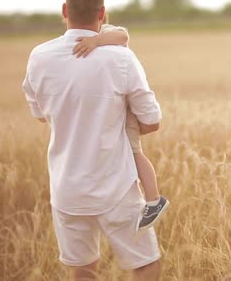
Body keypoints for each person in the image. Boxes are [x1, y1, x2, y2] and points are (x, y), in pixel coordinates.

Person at [22, 0, 162, 280]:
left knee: (83, 272)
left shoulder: (39, 57)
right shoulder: (121, 58)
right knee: (145, 263)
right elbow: (152, 121)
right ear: (102, 13)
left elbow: (42, 116)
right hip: (117, 186)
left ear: (64, 10)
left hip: (67, 189)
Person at [72, 15, 169, 231]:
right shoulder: (86, 42)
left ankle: (154, 200)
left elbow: (123, 35)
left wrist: (96, 41)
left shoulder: (107, 32)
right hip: (112, 112)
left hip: (125, 114)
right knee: (123, 155)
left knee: (134, 153)